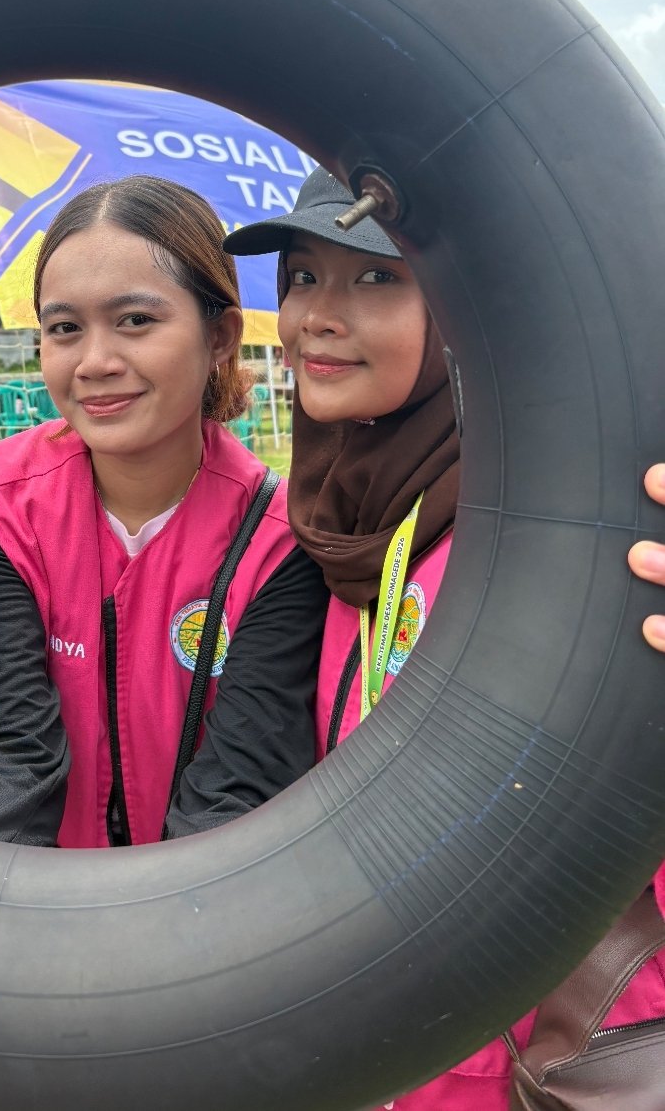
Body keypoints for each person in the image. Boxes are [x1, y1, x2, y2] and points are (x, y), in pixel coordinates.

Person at [221, 166, 665, 1110]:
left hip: (533, 1070)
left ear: (474, 312)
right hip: (377, 1057)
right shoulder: (329, 532)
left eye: (377, 278)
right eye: (302, 276)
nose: (315, 318)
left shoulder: (569, 535)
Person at [0, 174, 326, 847]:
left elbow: (237, 788)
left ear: (221, 335)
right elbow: (0, 753)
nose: (94, 361)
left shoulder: (284, 539)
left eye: (134, 321)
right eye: (63, 328)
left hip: (203, 916)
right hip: (31, 909)